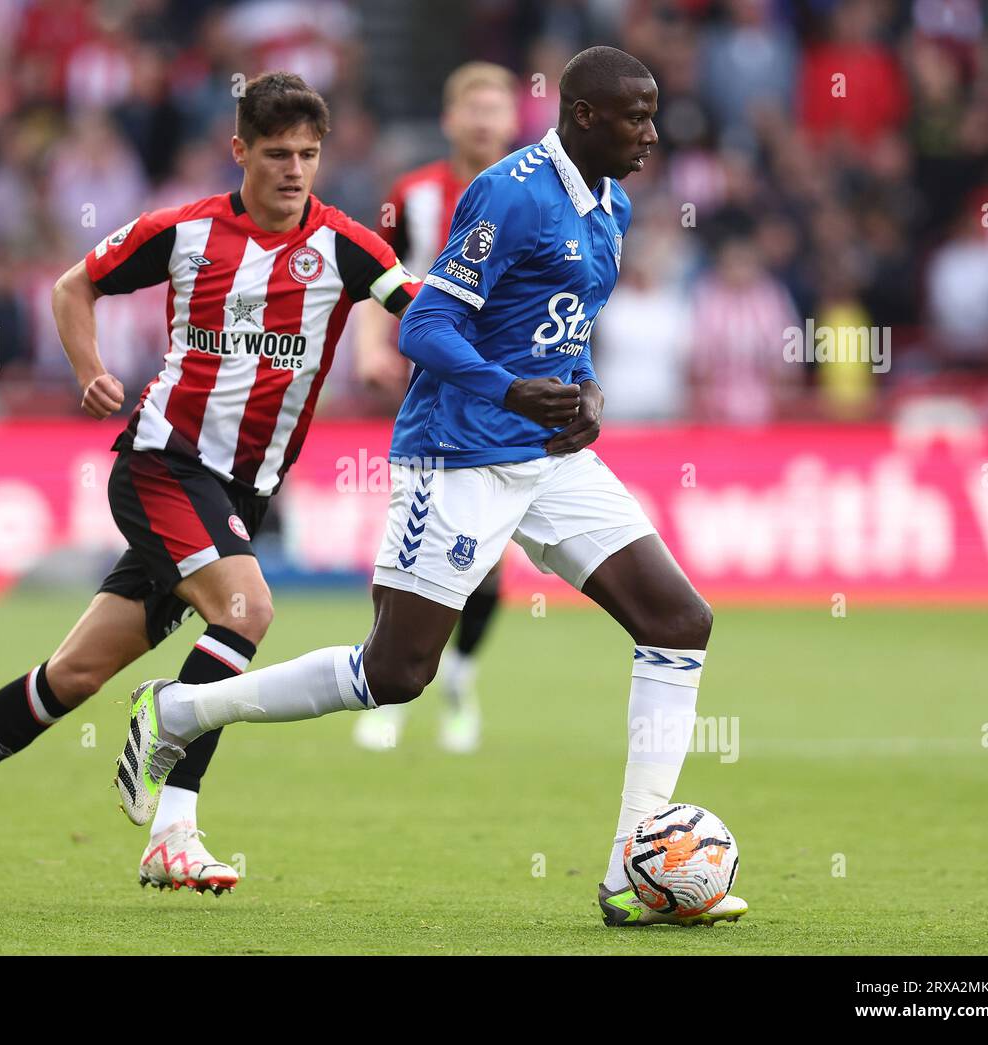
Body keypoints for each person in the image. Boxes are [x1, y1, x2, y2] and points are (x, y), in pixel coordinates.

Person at [114, 46, 748, 927]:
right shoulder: (510, 193)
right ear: (583, 117)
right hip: (456, 454)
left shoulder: (613, 202)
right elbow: (430, 326)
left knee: (679, 621)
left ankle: (633, 871)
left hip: (551, 457)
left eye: (653, 113)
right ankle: (181, 707)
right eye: (635, 116)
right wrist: (507, 387)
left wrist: (584, 389)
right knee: (395, 671)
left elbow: (564, 330)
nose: (652, 132)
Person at [0, 72, 420, 896]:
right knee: (247, 607)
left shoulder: (350, 247)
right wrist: (90, 368)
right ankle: (175, 825)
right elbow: (76, 286)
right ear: (239, 149)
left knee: (68, 678)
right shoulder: (183, 233)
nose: (294, 170)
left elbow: (418, 310)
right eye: (278, 153)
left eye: (309, 155)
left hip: (240, 493)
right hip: (163, 464)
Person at [353, 61, 520, 755]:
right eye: (472, 106)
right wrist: (369, 349)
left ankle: (457, 675)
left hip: (508, 396)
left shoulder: (538, 192)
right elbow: (374, 275)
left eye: (496, 107)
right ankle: (386, 688)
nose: (484, 119)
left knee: (485, 561)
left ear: (514, 120)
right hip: (431, 395)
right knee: (406, 548)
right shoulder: (413, 193)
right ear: (450, 119)